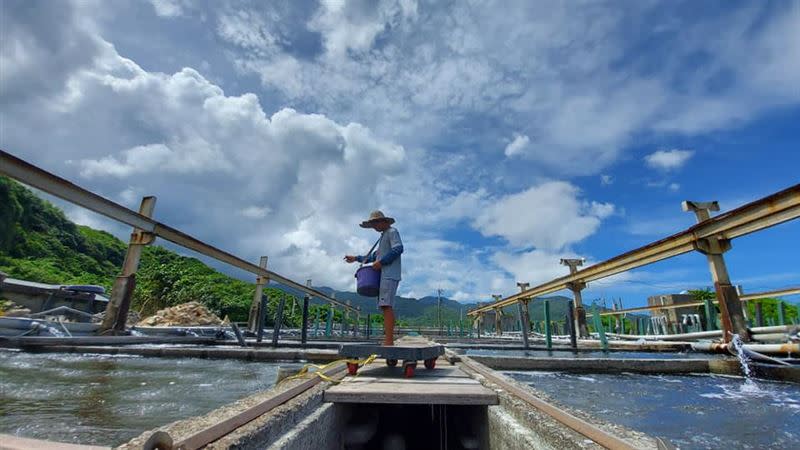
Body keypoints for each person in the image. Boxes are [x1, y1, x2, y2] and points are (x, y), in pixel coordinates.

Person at [345, 210, 403, 346]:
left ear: (384, 221)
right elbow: (373, 257)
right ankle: (388, 339)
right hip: (384, 275)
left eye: (376, 222)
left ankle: (389, 341)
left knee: (386, 305)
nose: (375, 226)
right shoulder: (383, 237)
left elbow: (398, 249)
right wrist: (355, 258)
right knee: (384, 306)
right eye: (373, 224)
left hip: (389, 274)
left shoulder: (392, 232)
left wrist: (382, 262)